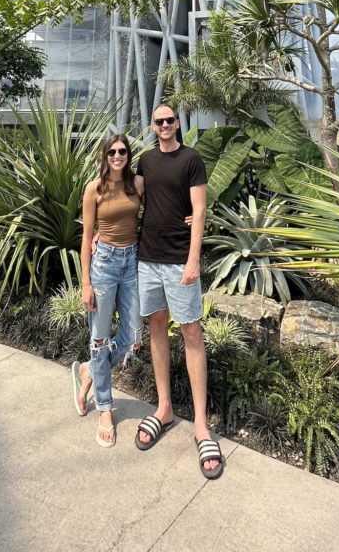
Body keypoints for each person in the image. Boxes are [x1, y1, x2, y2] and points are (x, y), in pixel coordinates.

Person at [133, 104, 224, 480]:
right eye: (159, 121)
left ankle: (201, 424)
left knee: (191, 331)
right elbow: (136, 200)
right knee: (156, 327)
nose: (165, 125)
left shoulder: (192, 159)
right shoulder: (144, 161)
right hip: (148, 258)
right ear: (152, 126)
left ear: (177, 125)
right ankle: (165, 407)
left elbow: (199, 210)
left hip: (178, 260)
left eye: (170, 120)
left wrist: (193, 259)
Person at [71, 135, 144, 447]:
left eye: (122, 151)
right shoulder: (94, 189)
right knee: (100, 339)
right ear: (105, 156)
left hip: (132, 260)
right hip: (104, 264)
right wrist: (86, 282)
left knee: (133, 337)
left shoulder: (137, 184)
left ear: (128, 154)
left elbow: (165, 204)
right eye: (112, 151)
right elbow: (87, 236)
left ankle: (89, 369)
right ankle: (104, 408)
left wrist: (192, 216)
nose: (117, 156)